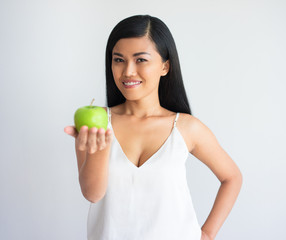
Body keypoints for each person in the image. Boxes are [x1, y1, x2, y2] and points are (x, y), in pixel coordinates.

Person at [64, 14, 242, 240]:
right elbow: (92, 194)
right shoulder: (95, 124)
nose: (128, 71)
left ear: (165, 66)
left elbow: (232, 177)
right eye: (119, 59)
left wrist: (207, 233)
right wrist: (99, 150)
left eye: (140, 60)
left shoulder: (186, 128)